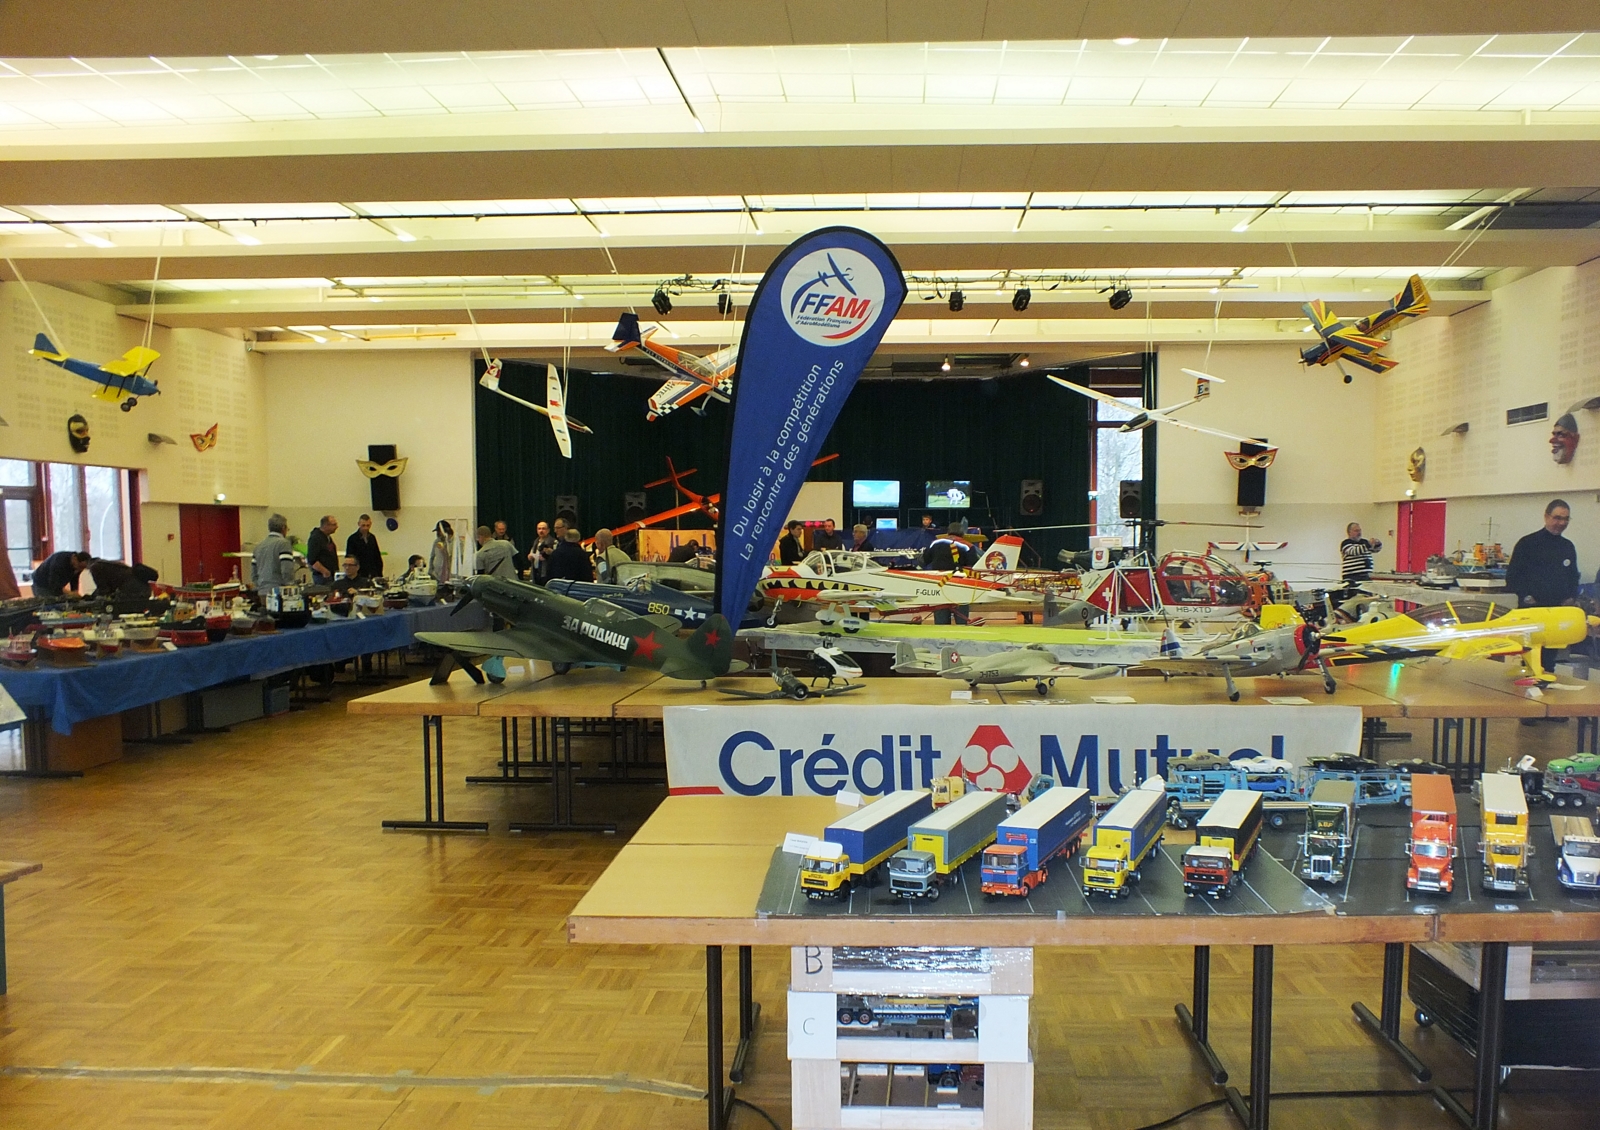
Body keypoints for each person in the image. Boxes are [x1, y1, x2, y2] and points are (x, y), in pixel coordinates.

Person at [1506, 499, 1579, 609]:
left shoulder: (1568, 546)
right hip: (1532, 609)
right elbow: (1513, 576)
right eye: (1557, 518)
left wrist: (1572, 597)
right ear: (1546, 517)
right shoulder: (1527, 543)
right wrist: (1525, 597)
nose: (1562, 523)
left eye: (1566, 519)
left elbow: (1573, 577)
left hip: (1560, 609)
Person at [252, 513, 298, 592]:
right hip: (278, 591)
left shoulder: (259, 546)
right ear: (283, 528)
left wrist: (260, 586)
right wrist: (290, 586)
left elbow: (253, 573)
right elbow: (286, 569)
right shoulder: (284, 544)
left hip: (262, 590)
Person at [345, 513, 384, 579]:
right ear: (358, 524)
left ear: (370, 524)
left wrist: (379, 574)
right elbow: (350, 558)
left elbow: (377, 556)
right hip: (359, 573)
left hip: (373, 572)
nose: (365, 528)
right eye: (363, 525)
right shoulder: (352, 539)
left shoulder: (372, 537)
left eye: (367, 525)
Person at [306, 515, 339, 584]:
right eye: (334, 525)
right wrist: (324, 571)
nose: (337, 527)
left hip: (329, 575)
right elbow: (312, 559)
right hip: (322, 577)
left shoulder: (327, 537)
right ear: (326, 525)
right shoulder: (315, 538)